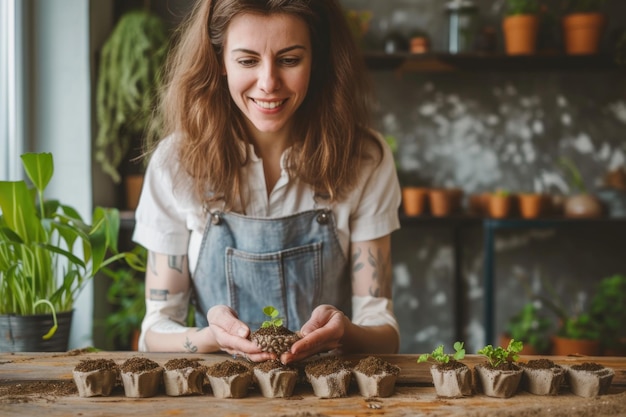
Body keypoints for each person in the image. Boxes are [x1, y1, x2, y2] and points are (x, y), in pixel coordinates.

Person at [133, 0, 401, 364]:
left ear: (317, 59)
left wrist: (346, 332)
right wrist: (211, 337)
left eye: (290, 60)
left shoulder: (365, 159)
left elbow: (384, 333)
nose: (269, 83)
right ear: (219, 61)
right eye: (247, 61)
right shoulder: (175, 163)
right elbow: (154, 331)